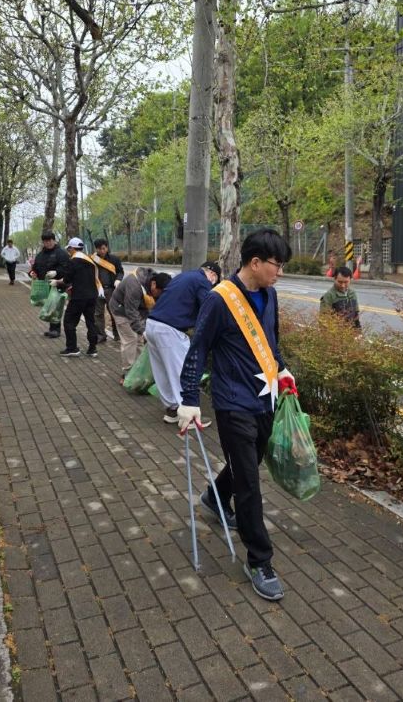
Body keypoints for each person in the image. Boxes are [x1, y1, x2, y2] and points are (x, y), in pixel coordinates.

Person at [178, 228, 294, 602]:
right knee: (250, 484)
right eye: (276, 265)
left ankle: (214, 497)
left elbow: (270, 342)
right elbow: (197, 349)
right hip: (232, 404)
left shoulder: (270, 294)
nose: (280, 272)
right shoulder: (220, 300)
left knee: (248, 466)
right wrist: (189, 399)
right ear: (255, 262)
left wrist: (283, 369)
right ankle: (259, 560)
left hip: (265, 399)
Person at [145, 261, 221, 424]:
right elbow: (208, 309)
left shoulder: (184, 276)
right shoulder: (203, 281)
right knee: (182, 371)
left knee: (163, 371)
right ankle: (189, 416)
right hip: (170, 329)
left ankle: (172, 410)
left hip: (152, 325)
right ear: (213, 275)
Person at [110, 269, 172, 380]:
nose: (158, 296)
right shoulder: (134, 285)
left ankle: (138, 371)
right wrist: (143, 331)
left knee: (139, 341)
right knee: (130, 339)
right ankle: (128, 373)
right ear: (153, 285)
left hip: (138, 310)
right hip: (121, 309)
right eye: (159, 292)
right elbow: (131, 312)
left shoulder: (154, 282)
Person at [50, 237, 101, 357]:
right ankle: (92, 349)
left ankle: (72, 348)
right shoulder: (90, 261)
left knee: (69, 321)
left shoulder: (73, 261)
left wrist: (57, 282)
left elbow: (67, 279)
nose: (69, 251)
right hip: (92, 296)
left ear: (72, 248)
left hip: (79, 297)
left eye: (69, 249)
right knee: (90, 322)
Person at [30, 231, 70, 337]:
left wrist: (57, 272)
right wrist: (32, 273)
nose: (47, 243)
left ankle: (56, 329)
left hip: (58, 284)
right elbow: (35, 267)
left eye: (49, 241)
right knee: (49, 306)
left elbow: (67, 268)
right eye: (45, 241)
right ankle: (52, 328)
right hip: (45, 285)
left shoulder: (61, 253)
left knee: (56, 306)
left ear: (54, 240)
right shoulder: (41, 255)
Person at [91, 238, 124, 343]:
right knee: (98, 314)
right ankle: (101, 335)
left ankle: (117, 334)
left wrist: (118, 279)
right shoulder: (93, 259)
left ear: (107, 247)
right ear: (96, 249)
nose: (101, 251)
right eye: (99, 249)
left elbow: (120, 271)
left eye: (103, 248)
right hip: (98, 290)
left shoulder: (114, 259)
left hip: (111, 290)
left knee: (114, 312)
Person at [319, 266, 361, 330]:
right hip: (336, 335)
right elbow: (323, 319)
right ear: (335, 279)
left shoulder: (352, 293)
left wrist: (358, 331)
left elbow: (356, 315)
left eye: (346, 282)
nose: (343, 285)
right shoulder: (329, 296)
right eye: (340, 282)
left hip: (351, 333)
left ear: (350, 280)